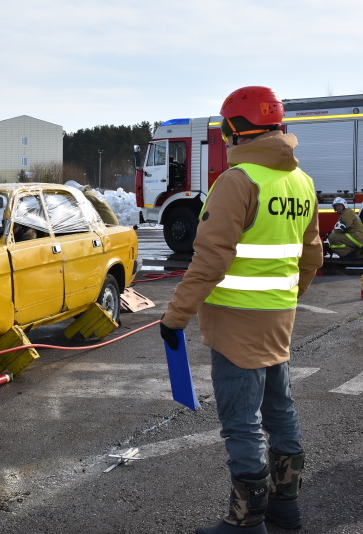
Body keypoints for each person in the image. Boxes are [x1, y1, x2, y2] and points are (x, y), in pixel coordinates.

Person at [159, 87, 323, 533]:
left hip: (235, 323)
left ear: (235, 130)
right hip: (278, 320)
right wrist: (286, 297)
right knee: (280, 411)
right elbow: (312, 257)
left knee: (241, 423)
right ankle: (285, 509)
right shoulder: (300, 181)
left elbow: (210, 260)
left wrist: (175, 317)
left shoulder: (238, 181)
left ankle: (246, 522)